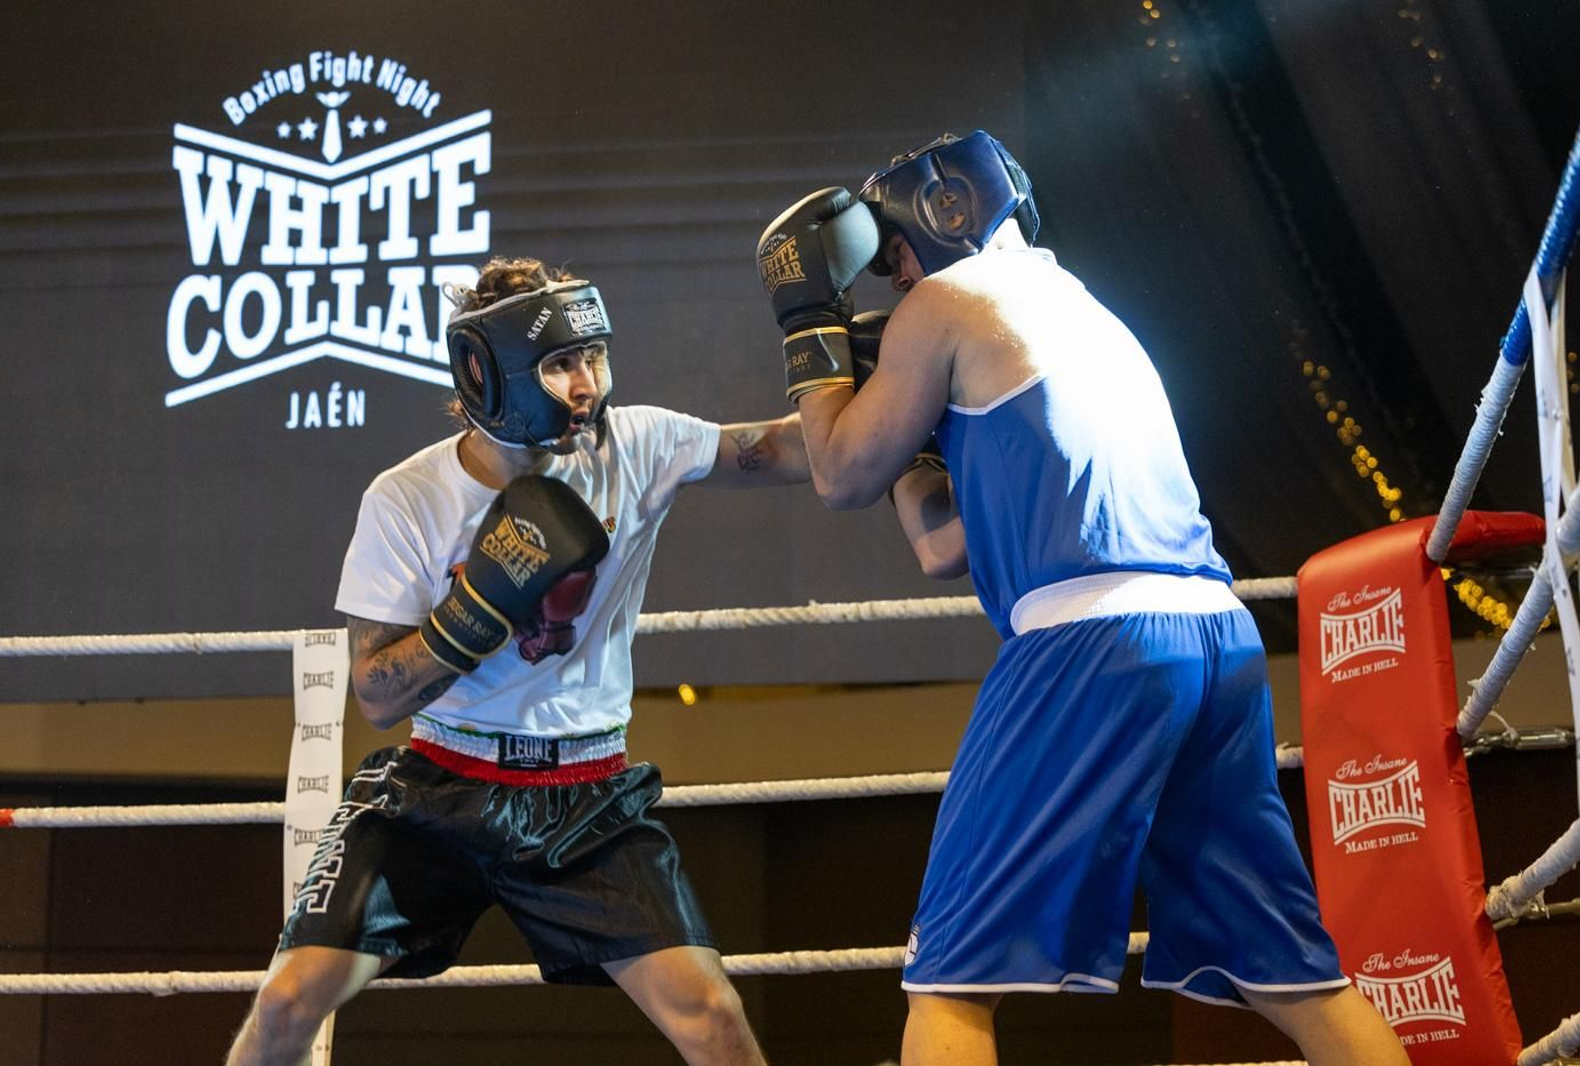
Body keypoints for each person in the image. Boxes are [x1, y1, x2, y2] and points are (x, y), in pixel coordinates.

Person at [756, 132, 1409, 1066]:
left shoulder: (946, 301)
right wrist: (917, 433)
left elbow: (837, 471)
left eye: (894, 255)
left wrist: (807, 323)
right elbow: (946, 547)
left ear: (945, 216)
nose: (894, 281)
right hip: (1214, 643)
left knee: (947, 987)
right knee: (1294, 976)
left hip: (1090, 641)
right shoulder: (1089, 312)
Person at [228, 257, 810, 1066]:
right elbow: (374, 692)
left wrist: (887, 388)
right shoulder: (408, 498)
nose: (588, 385)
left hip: (586, 798)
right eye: (563, 363)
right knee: (288, 1002)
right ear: (492, 373)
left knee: (714, 1019)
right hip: (441, 789)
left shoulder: (633, 446)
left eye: (595, 355)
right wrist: (473, 615)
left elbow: (785, 450)